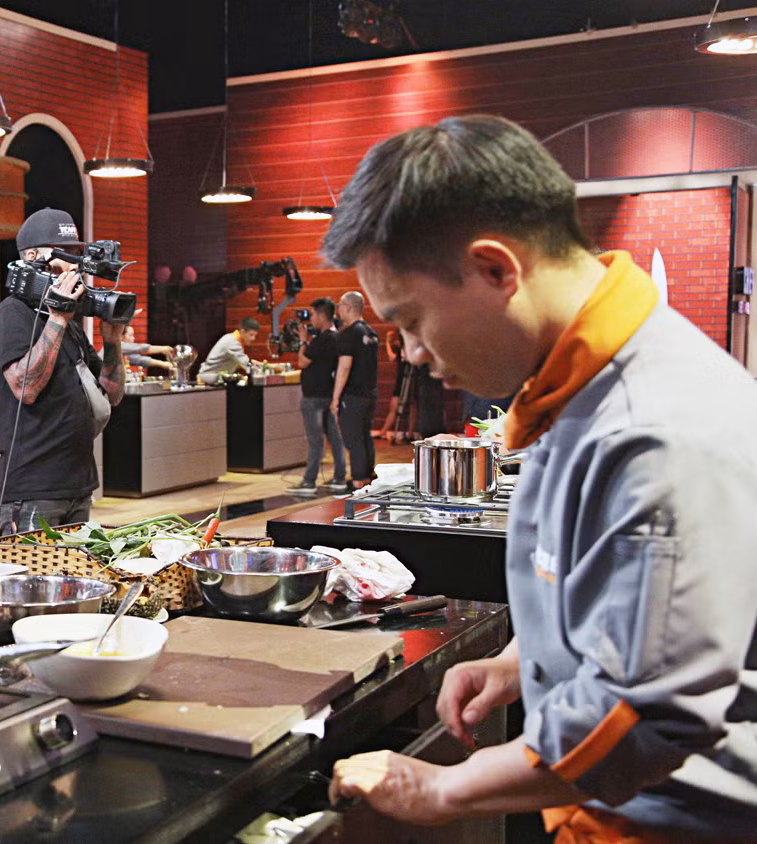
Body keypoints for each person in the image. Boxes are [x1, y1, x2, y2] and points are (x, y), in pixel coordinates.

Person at [322, 115, 757, 840]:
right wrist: (525, 659)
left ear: (497, 269)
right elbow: (617, 591)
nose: (414, 353)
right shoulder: (578, 380)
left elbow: (645, 716)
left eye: (413, 320)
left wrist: (442, 788)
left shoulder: (656, 428)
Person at [0, 207, 126, 535]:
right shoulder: (12, 315)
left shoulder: (70, 324)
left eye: (77, 253)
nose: (76, 264)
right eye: (65, 253)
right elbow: (25, 387)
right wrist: (59, 317)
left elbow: (113, 393)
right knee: (29, 570)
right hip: (32, 487)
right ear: (33, 257)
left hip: (78, 483)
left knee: (73, 571)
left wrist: (113, 342)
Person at [286, 296, 346, 495]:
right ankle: (339, 477)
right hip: (330, 394)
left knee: (315, 441)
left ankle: (309, 482)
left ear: (321, 316)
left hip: (314, 397)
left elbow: (302, 362)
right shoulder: (338, 338)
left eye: (312, 314)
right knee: (335, 439)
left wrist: (303, 341)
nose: (310, 319)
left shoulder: (322, 339)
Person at [329, 291, 379, 490]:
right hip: (370, 393)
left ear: (348, 308)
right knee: (365, 435)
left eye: (340, 306)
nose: (338, 311)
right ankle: (368, 475)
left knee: (353, 438)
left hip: (353, 395)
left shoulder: (350, 333)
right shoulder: (371, 332)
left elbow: (344, 367)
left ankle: (358, 480)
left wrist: (335, 397)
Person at [197, 317, 260, 384]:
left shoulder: (232, 338)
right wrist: (263, 368)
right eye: (251, 335)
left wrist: (256, 364)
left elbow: (243, 362)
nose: (253, 338)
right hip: (209, 378)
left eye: (255, 335)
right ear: (243, 332)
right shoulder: (233, 342)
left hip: (214, 377)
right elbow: (246, 363)